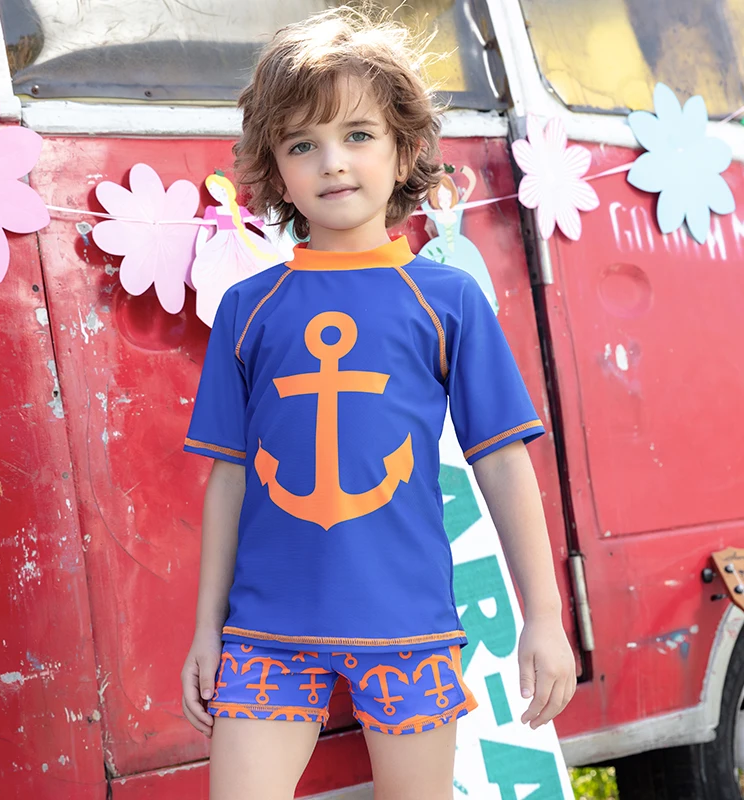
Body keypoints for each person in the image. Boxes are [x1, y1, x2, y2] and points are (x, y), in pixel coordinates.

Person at [180, 6, 576, 799]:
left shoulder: (447, 301)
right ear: (275, 170)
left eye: (358, 135)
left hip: (408, 629)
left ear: (406, 151)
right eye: (302, 144)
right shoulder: (247, 310)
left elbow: (502, 463)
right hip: (267, 632)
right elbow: (229, 476)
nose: (332, 163)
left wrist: (544, 616)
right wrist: (206, 628)